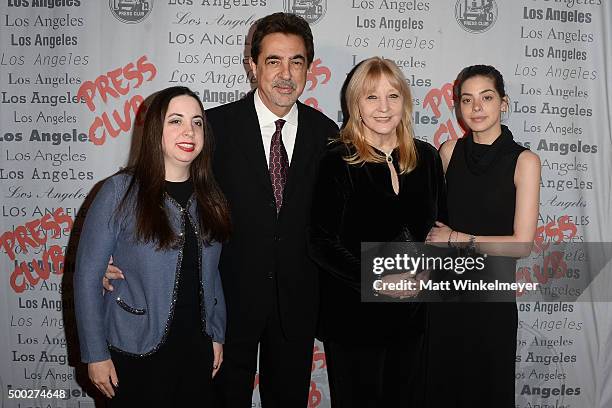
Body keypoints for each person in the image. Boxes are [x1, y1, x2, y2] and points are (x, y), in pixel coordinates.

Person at [104, 13, 339, 407]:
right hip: (223, 305)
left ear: (309, 68)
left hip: (297, 306)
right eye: (273, 61)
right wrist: (116, 251)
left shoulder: (328, 134)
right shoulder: (212, 128)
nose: (286, 73)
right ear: (252, 65)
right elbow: (161, 188)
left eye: (296, 61)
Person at [74, 86, 230, 407]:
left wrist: (216, 334)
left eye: (197, 122)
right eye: (175, 121)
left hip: (196, 349)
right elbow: (88, 277)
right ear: (155, 130)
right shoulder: (119, 191)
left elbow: (213, 277)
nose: (189, 130)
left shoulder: (211, 197)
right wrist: (95, 354)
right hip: (133, 350)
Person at [308, 57, 446, 407]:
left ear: (405, 102)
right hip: (354, 321)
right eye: (371, 97)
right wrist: (379, 279)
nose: (383, 107)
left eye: (393, 96)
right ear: (355, 104)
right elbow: (321, 242)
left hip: (412, 319)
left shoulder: (427, 159)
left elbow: (439, 230)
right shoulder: (337, 160)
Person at [425, 65, 541, 407]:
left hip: (491, 303)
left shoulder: (524, 161)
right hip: (445, 299)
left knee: (488, 390)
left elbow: (522, 244)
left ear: (503, 103)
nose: (476, 108)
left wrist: (458, 238)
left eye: (486, 98)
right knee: (441, 389)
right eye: (467, 100)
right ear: (458, 106)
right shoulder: (448, 152)